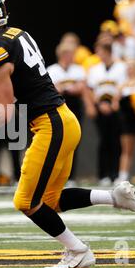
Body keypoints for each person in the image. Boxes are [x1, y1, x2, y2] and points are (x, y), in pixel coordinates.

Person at [0, 0, 135, 268]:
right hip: (64, 119)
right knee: (50, 200)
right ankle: (114, 197)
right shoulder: (17, 33)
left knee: (24, 200)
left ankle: (78, 250)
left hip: (50, 125)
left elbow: (4, 111)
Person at [86, 41, 125, 186]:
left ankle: (115, 174)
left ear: (107, 51)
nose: (98, 54)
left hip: (116, 108)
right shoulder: (95, 69)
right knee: (103, 141)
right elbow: (90, 88)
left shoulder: (121, 67)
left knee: (116, 141)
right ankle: (103, 174)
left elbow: (123, 86)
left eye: (100, 51)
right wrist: (97, 104)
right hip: (100, 107)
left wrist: (115, 101)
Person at [47, 42, 86, 186]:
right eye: (67, 54)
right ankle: (56, 175)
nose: (70, 57)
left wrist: (65, 88)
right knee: (58, 142)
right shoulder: (52, 69)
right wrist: (67, 88)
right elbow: (53, 89)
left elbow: (80, 87)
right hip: (58, 107)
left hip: (74, 106)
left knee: (73, 141)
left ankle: (70, 176)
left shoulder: (78, 69)